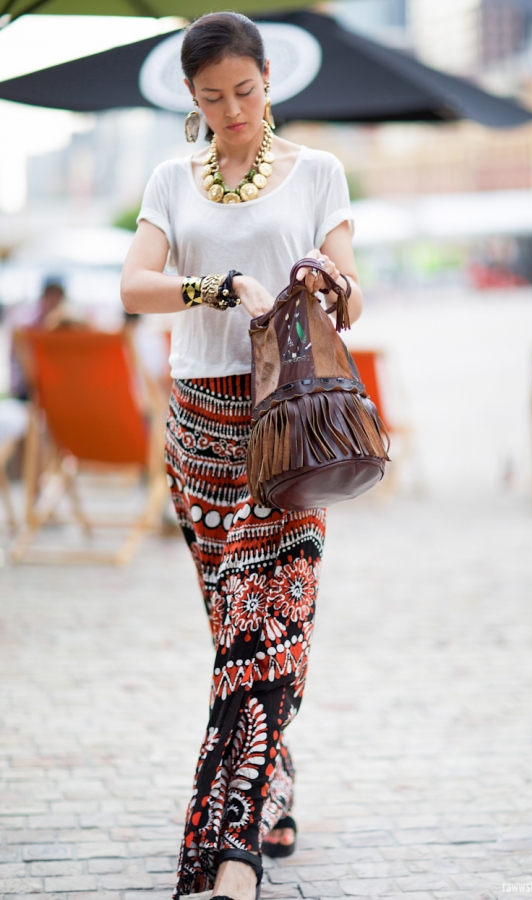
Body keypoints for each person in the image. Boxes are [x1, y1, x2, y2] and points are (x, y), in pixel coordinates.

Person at [120, 13, 362, 900]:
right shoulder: (169, 179)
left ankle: (229, 857)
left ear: (270, 78)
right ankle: (274, 785)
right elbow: (133, 284)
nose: (234, 111)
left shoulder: (319, 172)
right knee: (238, 634)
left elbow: (354, 293)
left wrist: (328, 284)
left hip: (287, 423)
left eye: (247, 92)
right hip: (201, 426)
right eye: (214, 98)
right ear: (192, 97)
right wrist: (216, 285)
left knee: (270, 634)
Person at [9, 279, 67, 400]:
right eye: (53, 298)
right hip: (25, 388)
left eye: (58, 299)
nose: (55, 303)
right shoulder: (28, 322)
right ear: (44, 297)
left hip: (44, 386)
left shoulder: (58, 322)